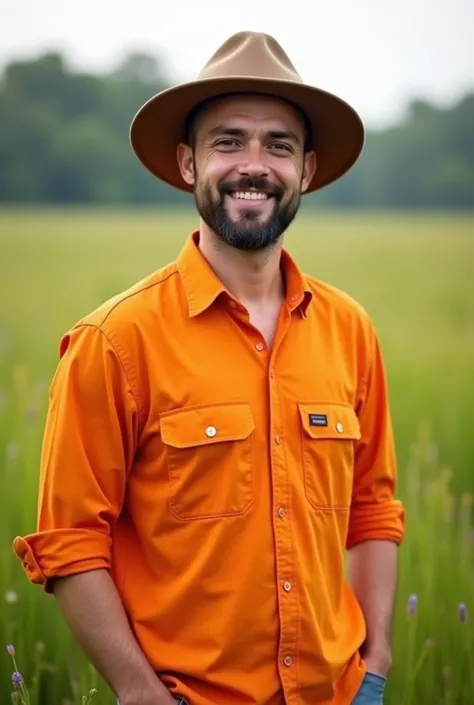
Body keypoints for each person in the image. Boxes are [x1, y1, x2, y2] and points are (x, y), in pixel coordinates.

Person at [13, 31, 406, 705]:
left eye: (278, 145)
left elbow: (371, 507)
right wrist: (139, 692)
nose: (254, 164)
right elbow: (71, 539)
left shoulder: (350, 331)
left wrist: (375, 662)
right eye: (228, 142)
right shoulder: (115, 340)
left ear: (306, 170)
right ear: (188, 164)